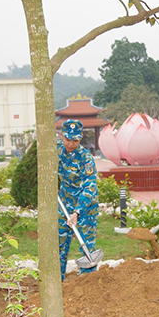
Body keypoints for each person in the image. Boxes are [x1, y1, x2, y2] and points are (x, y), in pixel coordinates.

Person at [58, 119, 98, 279]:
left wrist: (77, 212)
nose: (71, 143)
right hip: (64, 205)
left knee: (87, 247)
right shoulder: (56, 152)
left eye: (75, 140)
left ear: (80, 138)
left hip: (85, 207)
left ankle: (88, 283)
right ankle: (57, 282)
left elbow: (90, 187)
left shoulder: (85, 158)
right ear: (61, 136)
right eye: (68, 139)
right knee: (59, 245)